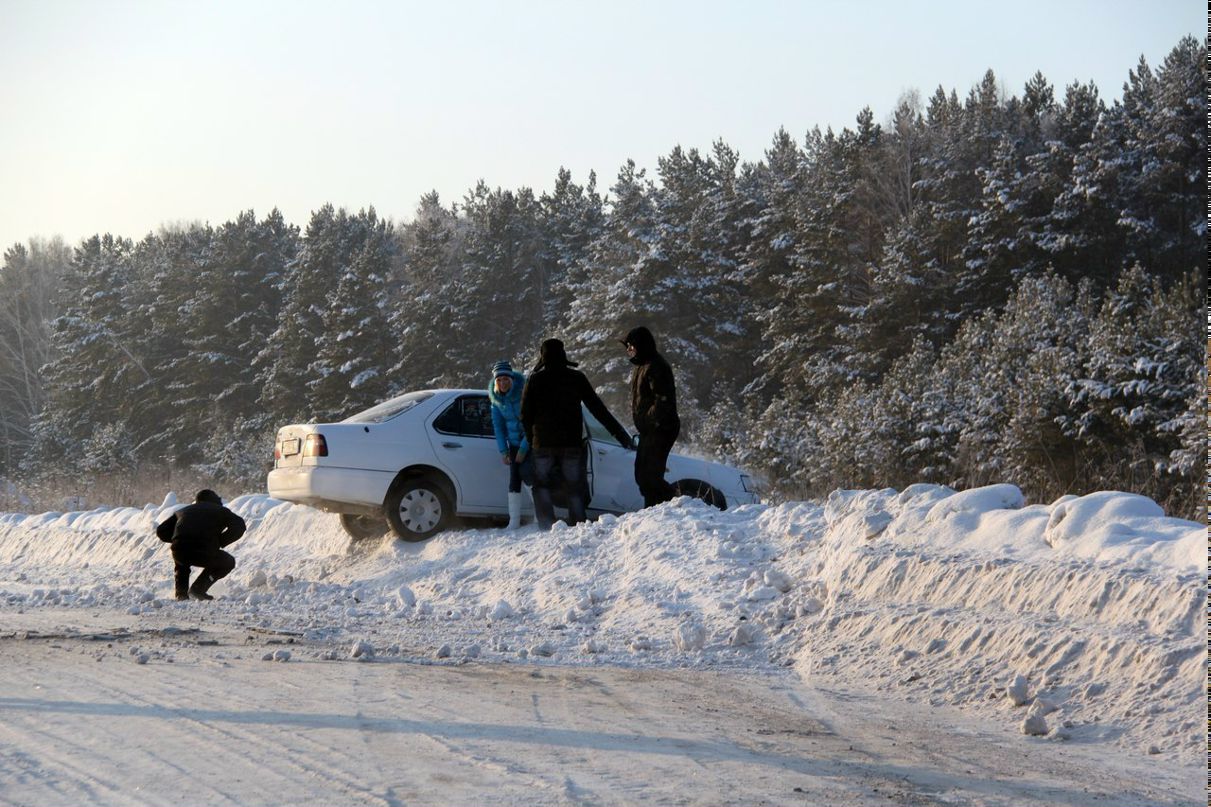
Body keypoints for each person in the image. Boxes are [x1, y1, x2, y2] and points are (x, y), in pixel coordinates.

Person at [520, 338, 632, 530]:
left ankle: (547, 525)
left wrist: (532, 440)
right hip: (571, 443)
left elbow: (524, 415)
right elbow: (598, 409)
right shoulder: (576, 378)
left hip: (543, 444)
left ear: (543, 355)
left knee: (542, 485)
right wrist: (623, 437)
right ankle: (578, 524)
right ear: (563, 354)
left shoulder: (535, 379)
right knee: (574, 485)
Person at [621, 326, 681, 507]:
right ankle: (653, 511)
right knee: (642, 475)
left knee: (650, 476)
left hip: (661, 428)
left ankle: (676, 503)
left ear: (640, 345)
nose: (629, 351)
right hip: (650, 429)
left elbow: (663, 399)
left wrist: (649, 420)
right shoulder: (642, 365)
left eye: (631, 347)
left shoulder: (656, 366)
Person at [155, 489, 246, 601]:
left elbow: (161, 530)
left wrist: (178, 539)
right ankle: (198, 589)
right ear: (215, 500)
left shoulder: (183, 511)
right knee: (227, 562)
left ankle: (181, 594)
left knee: (181, 563)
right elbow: (239, 526)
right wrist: (221, 541)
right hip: (204, 550)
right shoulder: (221, 510)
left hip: (180, 549)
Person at [488, 359, 533, 529]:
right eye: (499, 380)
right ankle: (513, 521)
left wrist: (523, 448)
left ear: (512, 379)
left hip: (529, 442)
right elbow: (498, 427)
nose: (502, 382)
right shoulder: (497, 401)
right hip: (514, 445)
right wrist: (503, 450)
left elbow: (532, 423)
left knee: (529, 475)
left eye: (506, 379)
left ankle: (539, 516)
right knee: (514, 479)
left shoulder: (524, 394)